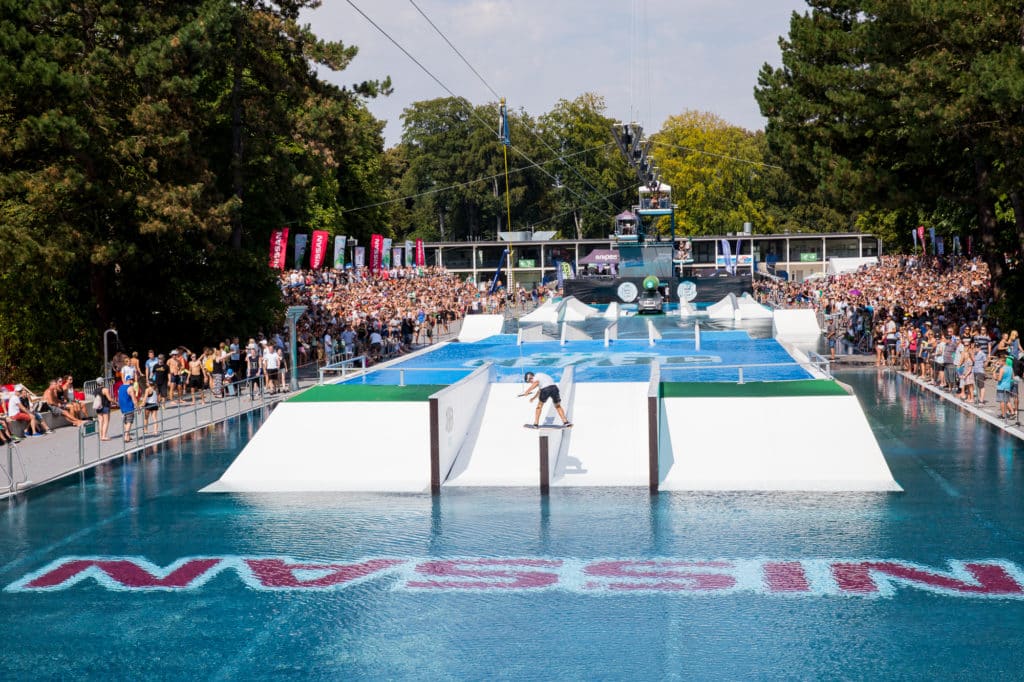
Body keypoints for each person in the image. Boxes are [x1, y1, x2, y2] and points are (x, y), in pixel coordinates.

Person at [117, 375, 139, 443]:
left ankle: (128, 435)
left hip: (123, 407)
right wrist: (138, 408)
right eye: (131, 380)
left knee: (126, 422)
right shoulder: (130, 388)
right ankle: (126, 437)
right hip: (129, 407)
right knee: (129, 421)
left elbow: (119, 398)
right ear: (128, 380)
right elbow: (134, 399)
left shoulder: (120, 387)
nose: (132, 381)